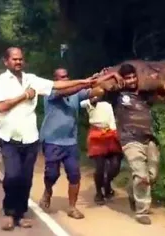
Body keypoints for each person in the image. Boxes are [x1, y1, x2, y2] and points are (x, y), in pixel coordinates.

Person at [0, 47, 103, 231]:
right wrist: (24, 96)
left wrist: (85, 81)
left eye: (20, 59)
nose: (18, 62)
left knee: (26, 179)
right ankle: (9, 212)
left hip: (30, 138)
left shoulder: (31, 79)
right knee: (12, 176)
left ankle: (20, 214)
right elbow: (1, 106)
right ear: (6, 62)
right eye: (14, 59)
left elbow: (56, 85)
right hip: (9, 138)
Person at [96, 63, 165, 225]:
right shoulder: (117, 95)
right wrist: (113, 77)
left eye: (133, 76)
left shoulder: (145, 94)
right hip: (129, 139)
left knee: (152, 174)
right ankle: (142, 210)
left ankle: (132, 190)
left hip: (148, 138)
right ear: (123, 79)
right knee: (141, 175)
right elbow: (97, 87)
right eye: (127, 78)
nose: (131, 80)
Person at [37, 68, 116, 219]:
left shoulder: (76, 94)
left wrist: (102, 81)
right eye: (61, 78)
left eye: (66, 76)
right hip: (52, 140)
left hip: (70, 142)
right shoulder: (50, 92)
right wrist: (87, 82)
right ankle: (48, 191)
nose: (64, 79)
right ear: (55, 80)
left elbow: (95, 92)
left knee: (74, 175)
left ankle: (72, 207)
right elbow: (65, 92)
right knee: (52, 174)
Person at [80, 96, 123, 205]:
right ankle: (99, 193)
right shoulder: (91, 101)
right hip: (97, 134)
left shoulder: (114, 98)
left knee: (115, 166)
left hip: (112, 133)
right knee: (99, 167)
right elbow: (83, 104)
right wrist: (93, 98)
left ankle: (107, 183)